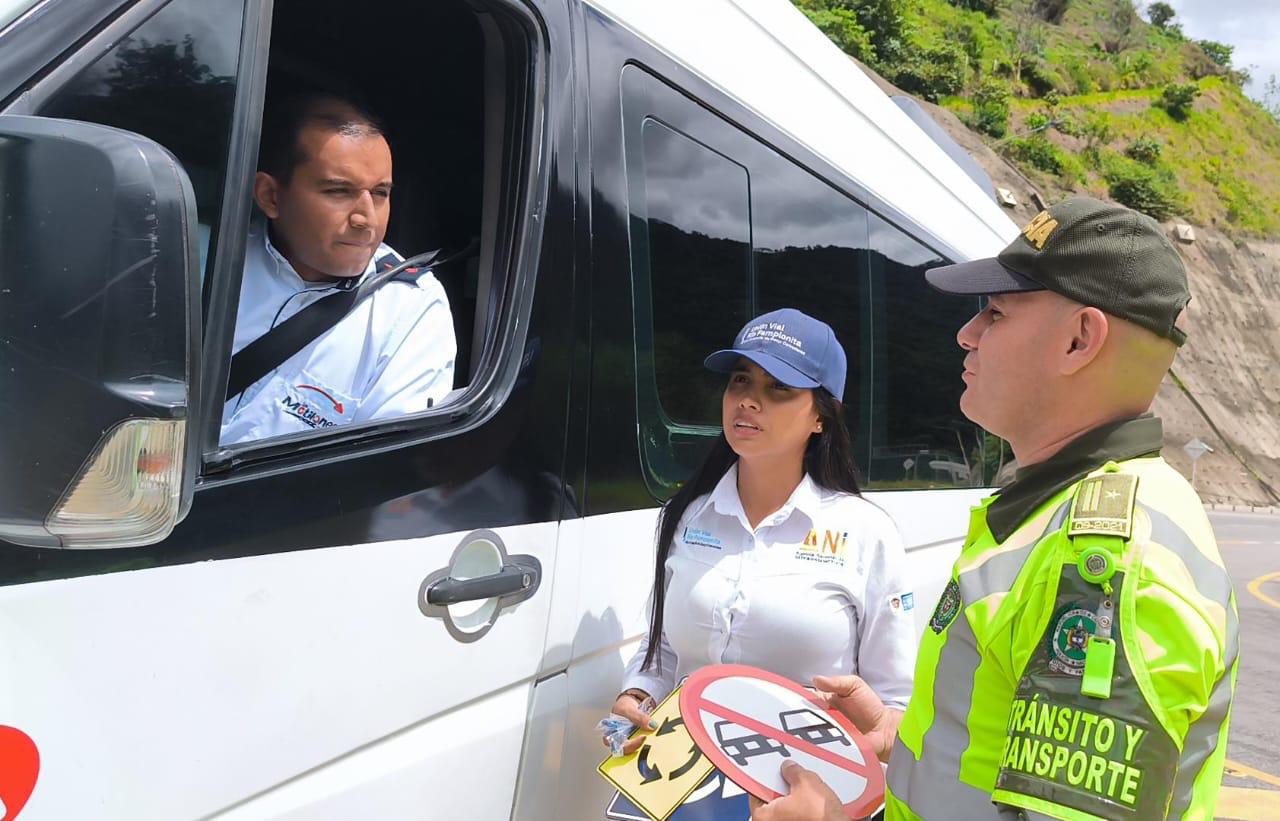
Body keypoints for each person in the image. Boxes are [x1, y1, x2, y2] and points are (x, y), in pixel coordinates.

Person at [752, 197, 1239, 821]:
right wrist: (908, 740)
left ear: (1079, 341)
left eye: (997, 312)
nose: (967, 333)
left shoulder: (1107, 565)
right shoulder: (1058, 511)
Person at [607, 308, 916, 766]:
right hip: (682, 782)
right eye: (740, 381)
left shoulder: (866, 532)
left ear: (821, 419)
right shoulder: (689, 515)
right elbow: (664, 650)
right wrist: (639, 694)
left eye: (779, 389)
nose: (749, 401)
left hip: (804, 791)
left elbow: (893, 703)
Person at [220, 92, 455, 444]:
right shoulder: (211, 259)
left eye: (380, 193)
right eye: (339, 191)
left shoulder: (409, 310)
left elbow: (384, 470)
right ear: (270, 196)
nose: (366, 219)